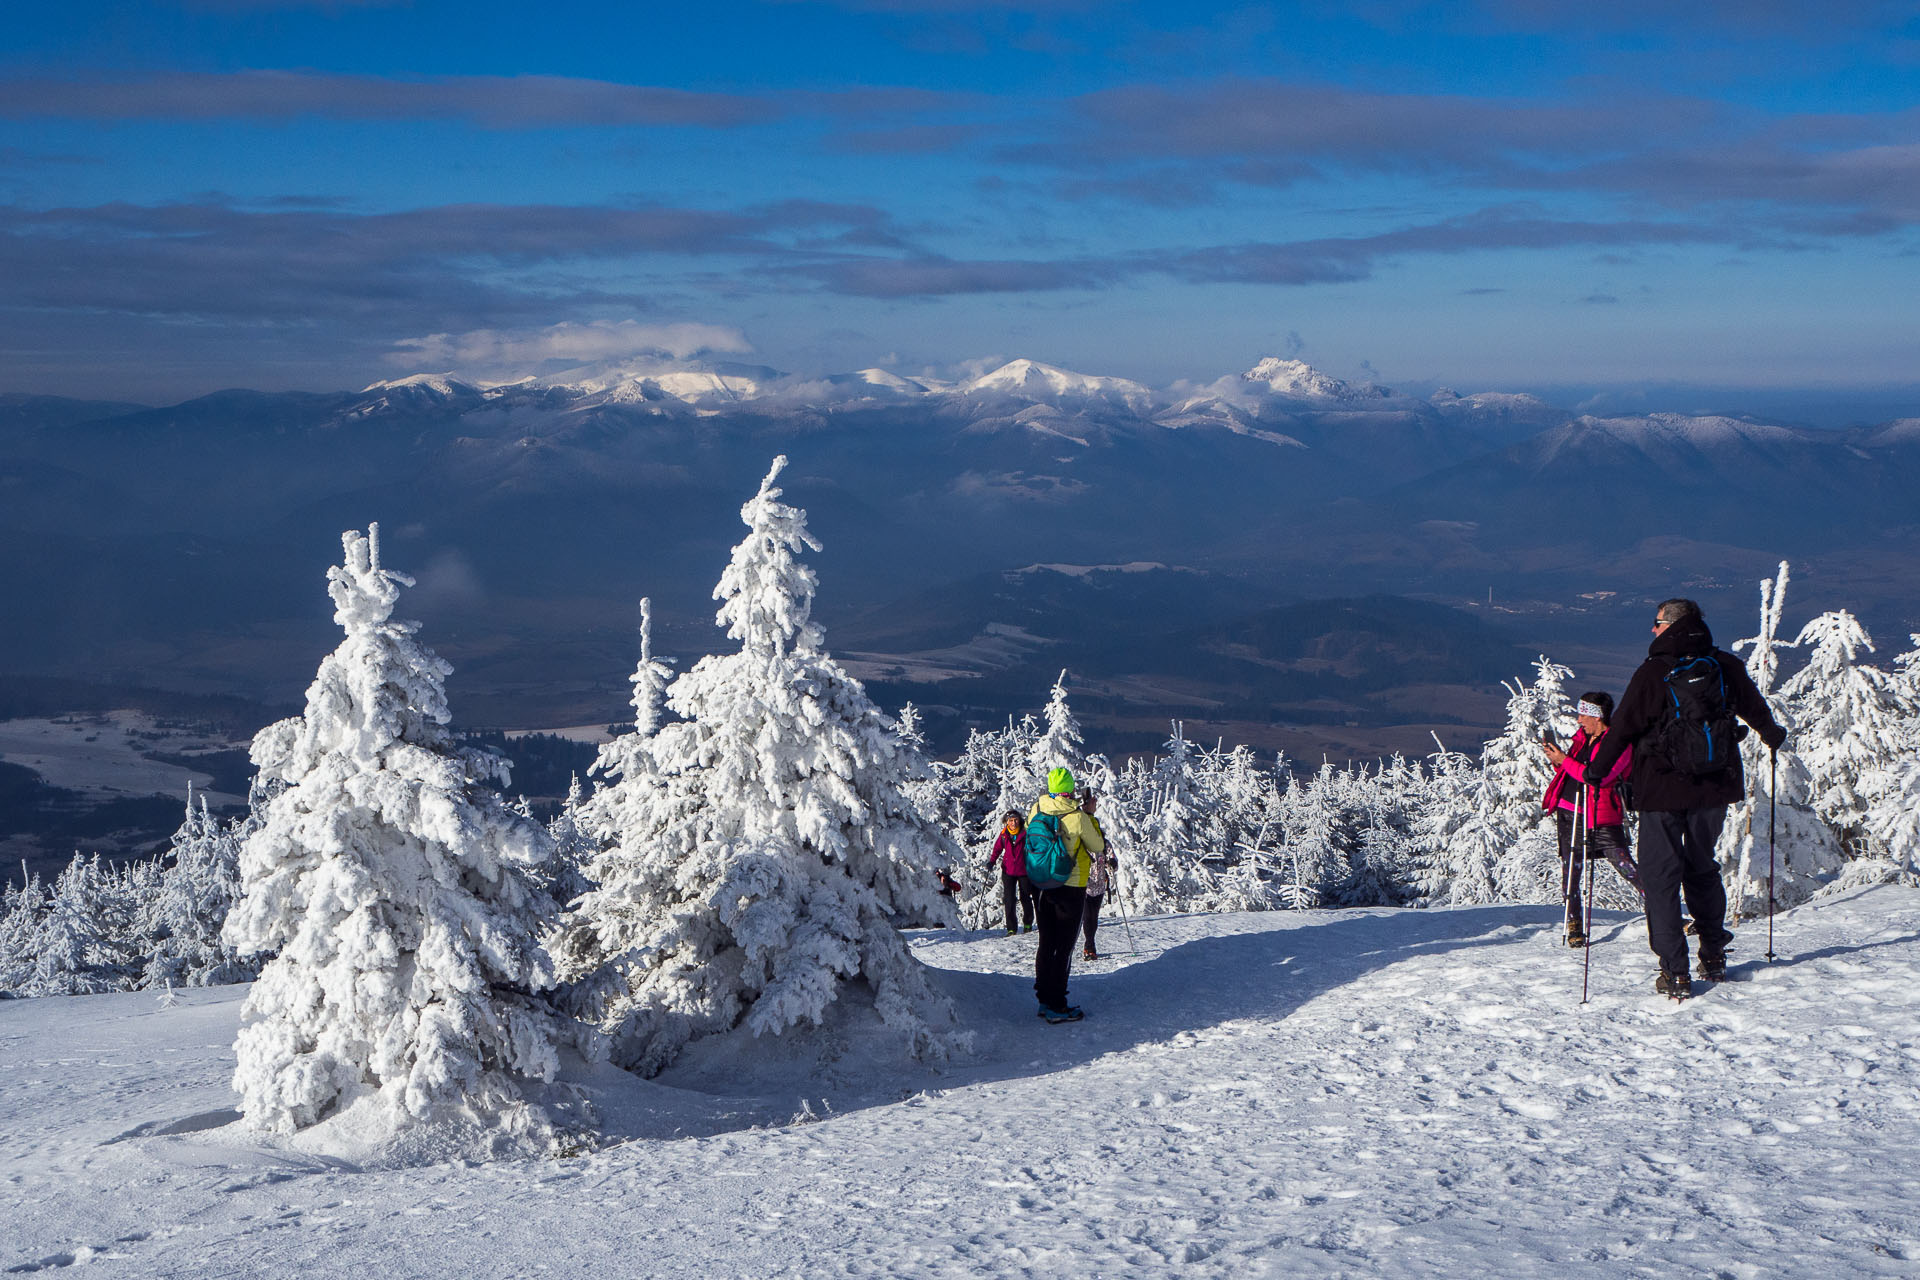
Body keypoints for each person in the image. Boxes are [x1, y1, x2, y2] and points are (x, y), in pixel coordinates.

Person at [1583, 598, 1786, 999]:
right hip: (1714, 784)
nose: (1652, 630)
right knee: (1701, 867)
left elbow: (1623, 727)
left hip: (1661, 789)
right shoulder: (1725, 666)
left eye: (1656, 623)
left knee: (1660, 879)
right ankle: (1713, 954)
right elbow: (1755, 709)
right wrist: (1771, 735)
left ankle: (1674, 971)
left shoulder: (1654, 672)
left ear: (1671, 625)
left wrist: (1596, 770)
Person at [1540, 690, 1642, 947]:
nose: (1579, 720)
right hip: (1570, 809)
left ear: (1598, 716)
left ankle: (1664, 911)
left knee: (1625, 866)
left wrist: (1563, 760)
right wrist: (1559, 761)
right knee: (1571, 870)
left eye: (1583, 714)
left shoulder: (1617, 744)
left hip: (1601, 813)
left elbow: (1597, 776)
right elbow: (1575, 770)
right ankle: (1574, 922)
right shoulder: (1583, 739)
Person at [1028, 767, 1104, 1022]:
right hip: (1071, 885)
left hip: (1042, 885)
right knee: (1065, 947)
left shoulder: (1037, 808)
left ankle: (1043, 1001)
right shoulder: (1078, 816)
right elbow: (1098, 845)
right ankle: (1057, 1005)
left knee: (1046, 943)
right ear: (1071, 789)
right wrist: (1090, 815)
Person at [1078, 789, 1119, 961]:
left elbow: (1104, 844)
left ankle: (1089, 945)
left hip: (1098, 879)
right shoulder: (1083, 823)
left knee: (1092, 916)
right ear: (1085, 804)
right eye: (1093, 801)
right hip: (1085, 879)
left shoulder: (1092, 823)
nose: (1096, 804)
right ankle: (1089, 947)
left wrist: (1112, 860)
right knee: (1088, 915)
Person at [986, 811, 1034, 935]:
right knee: (1009, 900)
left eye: (1015, 820)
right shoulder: (1004, 835)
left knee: (1025, 898)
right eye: (1011, 820)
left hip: (1024, 871)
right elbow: (997, 849)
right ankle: (1011, 928)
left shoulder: (1025, 833)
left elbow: (1033, 849)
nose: (1013, 823)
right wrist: (991, 861)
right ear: (1006, 822)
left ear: (1020, 820)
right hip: (1008, 871)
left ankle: (1028, 923)